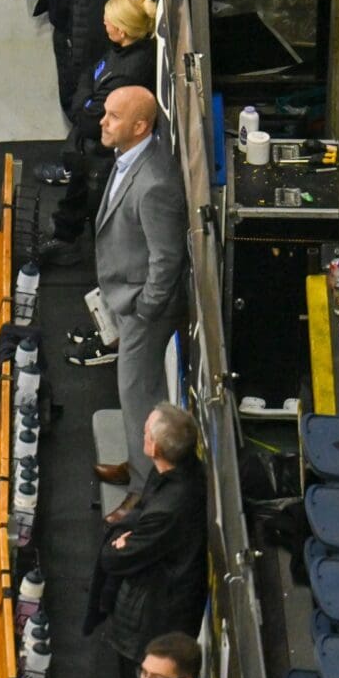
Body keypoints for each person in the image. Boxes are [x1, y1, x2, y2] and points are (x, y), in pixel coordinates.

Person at [93, 88, 188, 498]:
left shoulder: (154, 184)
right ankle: (137, 465)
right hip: (128, 299)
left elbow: (166, 259)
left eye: (113, 117)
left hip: (144, 311)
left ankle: (144, 489)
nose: (103, 121)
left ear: (139, 126)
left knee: (139, 397)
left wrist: (145, 310)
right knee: (134, 395)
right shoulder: (129, 157)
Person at [90, 406, 210, 678]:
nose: (141, 432)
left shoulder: (170, 506)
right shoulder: (175, 470)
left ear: (154, 448)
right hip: (158, 594)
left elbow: (115, 558)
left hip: (154, 612)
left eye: (145, 431)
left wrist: (123, 541)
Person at [42, 0, 162, 270]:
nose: (103, 23)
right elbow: (88, 74)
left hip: (105, 153)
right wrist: (86, 97)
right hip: (91, 148)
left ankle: (88, 258)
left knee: (96, 204)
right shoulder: (120, 52)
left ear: (121, 29)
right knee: (78, 188)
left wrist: (84, 100)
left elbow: (88, 119)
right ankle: (65, 230)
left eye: (107, 20)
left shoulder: (129, 70)